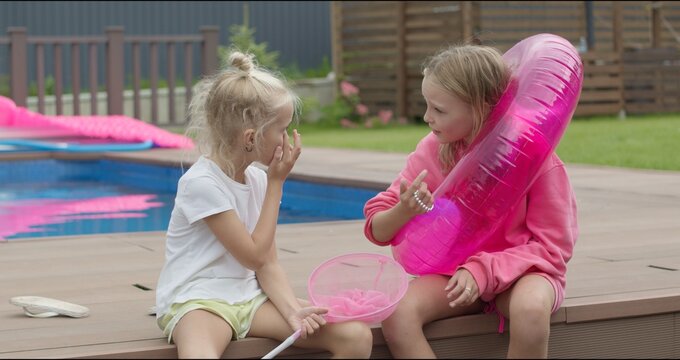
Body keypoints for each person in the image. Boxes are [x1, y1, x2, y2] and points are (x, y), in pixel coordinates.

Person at [363, 44, 578, 359]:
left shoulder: (535, 158)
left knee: (531, 309)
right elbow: (377, 229)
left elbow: (553, 248)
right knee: (399, 313)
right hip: (455, 276)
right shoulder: (433, 150)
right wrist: (403, 211)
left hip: (523, 273)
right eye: (427, 105)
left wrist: (483, 270)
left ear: (480, 107)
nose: (426, 117)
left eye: (439, 109)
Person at [155, 51, 373, 359]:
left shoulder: (256, 180)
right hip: (199, 301)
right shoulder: (202, 184)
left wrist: (291, 310)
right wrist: (276, 184)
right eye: (281, 129)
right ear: (250, 138)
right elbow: (253, 257)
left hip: (250, 299)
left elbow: (269, 263)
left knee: (355, 337)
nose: (286, 138)